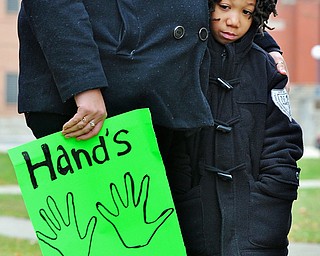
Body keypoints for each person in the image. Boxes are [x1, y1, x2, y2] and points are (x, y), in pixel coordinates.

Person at [17, 0, 290, 254]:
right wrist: (84, 84)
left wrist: (261, 38)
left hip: (161, 95)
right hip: (100, 94)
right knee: (94, 241)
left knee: (147, 240)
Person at [168, 0, 303, 255]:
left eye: (246, 12)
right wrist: (186, 192)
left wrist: (273, 199)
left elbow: (283, 141)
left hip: (258, 224)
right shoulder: (183, 65)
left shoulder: (267, 68)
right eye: (224, 7)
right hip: (194, 221)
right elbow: (174, 142)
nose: (234, 21)